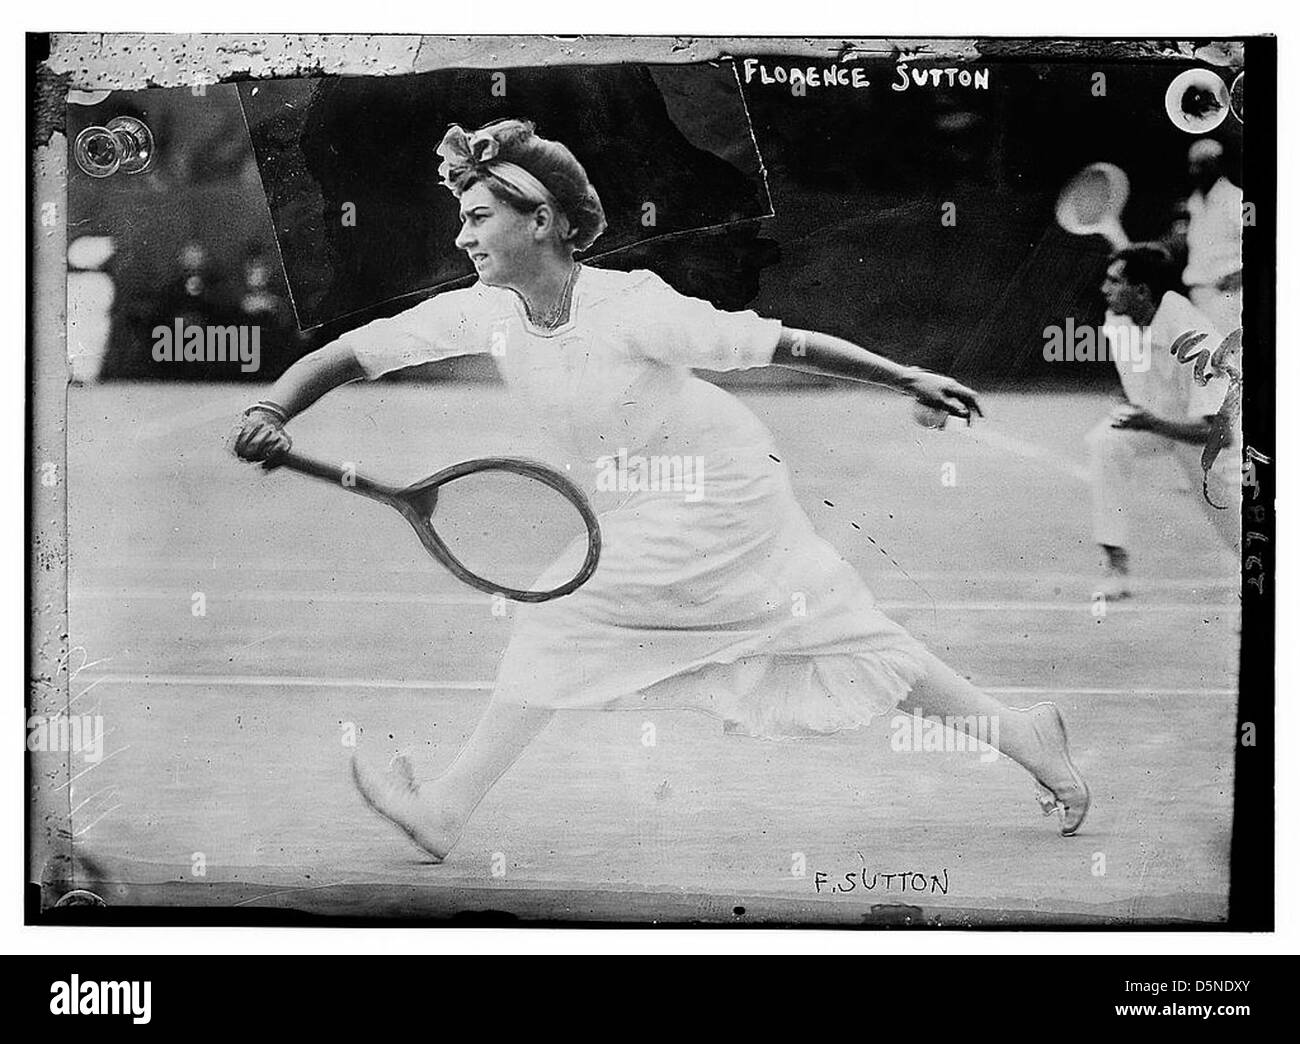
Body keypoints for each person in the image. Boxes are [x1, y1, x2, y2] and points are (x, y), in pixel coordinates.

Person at [231, 118, 1091, 856]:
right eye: (463, 218)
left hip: (722, 490)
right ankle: (1024, 734)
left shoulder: (635, 305)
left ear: (544, 222)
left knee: (560, 611)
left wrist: (903, 374)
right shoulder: (482, 312)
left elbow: (778, 343)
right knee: (842, 634)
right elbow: (357, 350)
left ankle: (446, 807)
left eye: (480, 217)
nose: (463, 236)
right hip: (647, 495)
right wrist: (276, 403)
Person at [1086, 243, 1240, 599]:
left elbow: (1222, 434)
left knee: (1234, 521)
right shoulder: (1118, 319)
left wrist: (1152, 423)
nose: (1104, 288)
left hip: (1218, 430)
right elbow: (1143, 377)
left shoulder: (1196, 341)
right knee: (1105, 441)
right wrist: (1142, 410)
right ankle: (1116, 569)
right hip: (1162, 420)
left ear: (1141, 292)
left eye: (1114, 281)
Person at [1181, 139, 1243, 335]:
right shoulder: (1194, 203)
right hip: (1198, 295)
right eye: (1192, 164)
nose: (1194, 171)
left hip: (1226, 295)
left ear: (1217, 165)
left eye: (1202, 165)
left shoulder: (1238, 198)